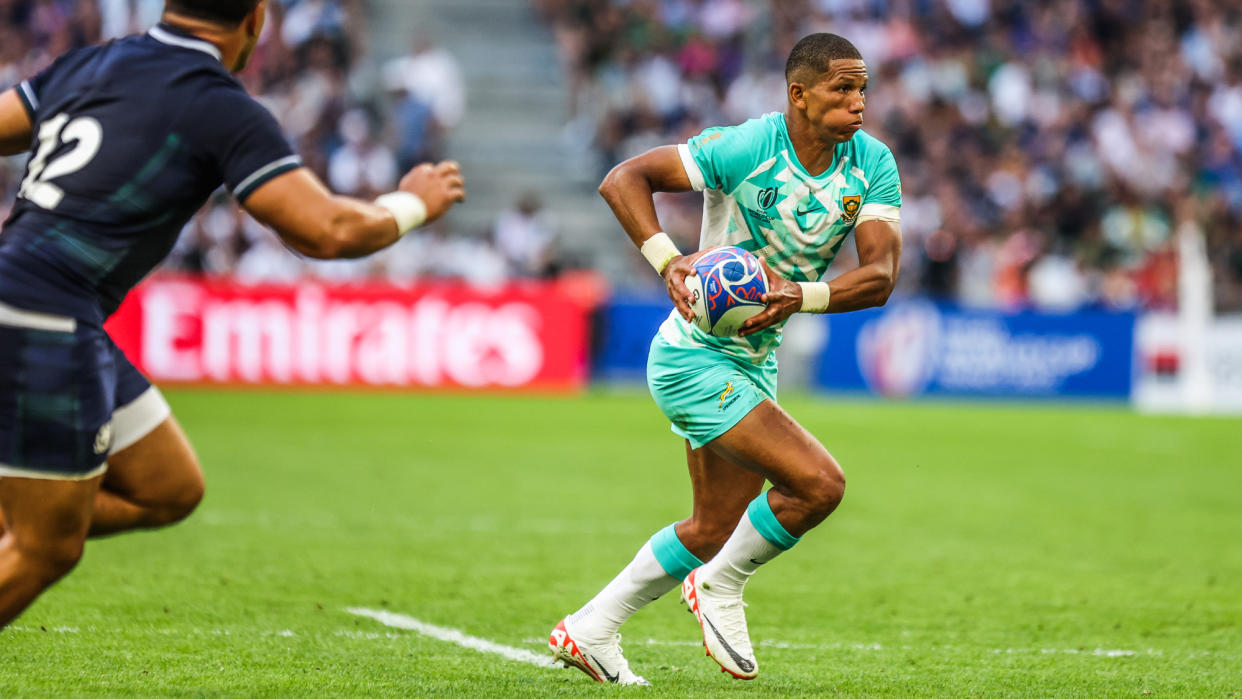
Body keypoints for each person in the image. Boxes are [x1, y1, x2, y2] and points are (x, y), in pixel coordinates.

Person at [0, 0, 465, 630]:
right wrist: (410, 204)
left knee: (168, 487)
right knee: (46, 545)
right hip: (43, 315)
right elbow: (324, 230)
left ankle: (28, 498)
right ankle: (31, 507)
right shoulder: (219, 105)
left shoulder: (92, 63)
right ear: (257, 20)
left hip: (44, 304)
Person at [549, 33, 902, 684]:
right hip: (694, 355)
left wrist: (802, 295)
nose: (859, 102)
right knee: (820, 484)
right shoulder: (745, 147)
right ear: (799, 93)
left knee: (712, 524)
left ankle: (591, 628)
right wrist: (667, 260)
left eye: (863, 89)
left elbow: (880, 275)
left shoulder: (872, 164)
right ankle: (721, 585)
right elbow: (623, 178)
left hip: (753, 362)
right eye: (843, 89)